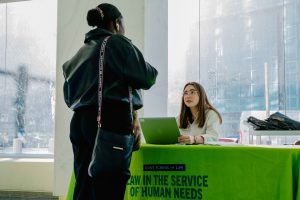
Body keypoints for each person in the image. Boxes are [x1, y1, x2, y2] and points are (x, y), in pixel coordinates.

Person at [62, 3, 158, 200]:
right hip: (109, 122)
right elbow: (148, 76)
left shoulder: (80, 52)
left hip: (80, 123)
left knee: (85, 184)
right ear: (116, 23)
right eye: (123, 24)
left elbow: (68, 94)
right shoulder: (117, 43)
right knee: (110, 186)